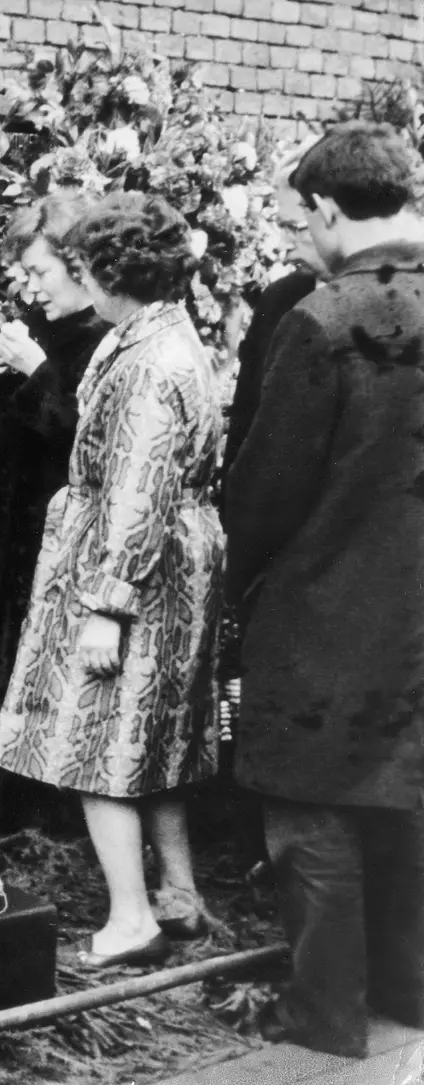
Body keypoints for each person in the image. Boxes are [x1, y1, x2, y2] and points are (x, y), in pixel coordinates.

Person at [225, 121, 424, 1058]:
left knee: (315, 810)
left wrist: (236, 575)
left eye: (306, 220)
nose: (304, 239)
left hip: (327, 611)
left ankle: (324, 1011)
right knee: (412, 794)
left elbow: (263, 495)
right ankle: (412, 990)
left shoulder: (322, 320)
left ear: (333, 210)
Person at [0, 192, 224, 969]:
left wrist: (106, 606)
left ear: (110, 271)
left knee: (99, 739)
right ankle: (180, 894)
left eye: (86, 267)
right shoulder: (162, 336)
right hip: (170, 563)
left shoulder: (149, 360)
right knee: (154, 740)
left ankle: (132, 917)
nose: (78, 280)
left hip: (136, 572)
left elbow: (138, 485)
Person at [0, 191, 111, 834]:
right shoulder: (44, 333)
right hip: (5, 529)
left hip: (54, 540)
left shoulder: (101, 341)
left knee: (32, 667)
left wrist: (37, 370)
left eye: (40, 272)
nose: (31, 287)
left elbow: (87, 441)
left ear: (80, 265)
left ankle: (41, 816)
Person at [220, 139, 327, 487]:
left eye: (294, 227)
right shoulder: (279, 299)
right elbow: (245, 419)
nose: (282, 243)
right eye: (279, 226)